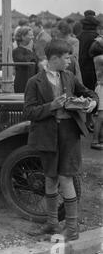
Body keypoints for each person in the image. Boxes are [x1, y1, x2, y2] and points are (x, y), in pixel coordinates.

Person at [24, 40, 98, 241]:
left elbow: (89, 93)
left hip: (69, 134)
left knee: (65, 177)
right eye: (66, 58)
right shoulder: (34, 82)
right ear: (54, 58)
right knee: (50, 177)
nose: (69, 61)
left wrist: (92, 102)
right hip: (46, 135)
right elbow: (29, 111)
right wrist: (51, 106)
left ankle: (72, 229)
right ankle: (52, 223)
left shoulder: (70, 77)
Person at [77, 15, 100, 131]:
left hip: (80, 68)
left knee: (82, 93)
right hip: (92, 69)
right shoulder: (96, 37)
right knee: (91, 94)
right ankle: (89, 120)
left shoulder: (79, 36)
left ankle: (84, 121)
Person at [12, 26, 38, 93]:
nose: (33, 37)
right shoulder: (16, 51)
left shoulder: (32, 50)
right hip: (22, 84)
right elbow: (25, 61)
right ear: (23, 37)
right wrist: (29, 50)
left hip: (33, 83)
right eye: (30, 35)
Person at [89, 36, 103, 150]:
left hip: (100, 85)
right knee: (101, 115)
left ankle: (100, 138)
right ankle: (95, 140)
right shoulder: (101, 58)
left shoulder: (97, 57)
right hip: (102, 87)